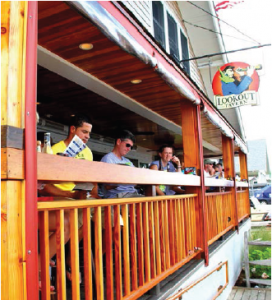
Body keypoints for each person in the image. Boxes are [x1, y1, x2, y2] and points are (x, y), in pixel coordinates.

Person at [39, 114, 99, 282]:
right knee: (80, 214)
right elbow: (44, 185)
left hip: (79, 197)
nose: (87, 136)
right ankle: (65, 259)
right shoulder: (54, 149)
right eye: (84, 132)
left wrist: (91, 192)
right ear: (73, 129)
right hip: (61, 197)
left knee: (98, 211)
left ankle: (66, 256)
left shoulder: (87, 152)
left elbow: (92, 180)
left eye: (89, 133)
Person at [101, 130, 143, 199]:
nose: (129, 149)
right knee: (149, 204)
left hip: (132, 193)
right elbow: (107, 186)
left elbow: (137, 178)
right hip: (118, 196)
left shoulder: (128, 161)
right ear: (118, 142)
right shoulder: (108, 159)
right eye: (127, 145)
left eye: (131, 147)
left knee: (153, 202)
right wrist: (125, 178)